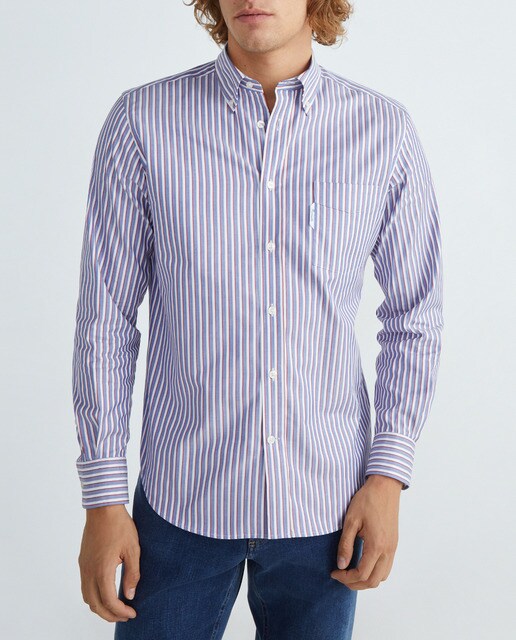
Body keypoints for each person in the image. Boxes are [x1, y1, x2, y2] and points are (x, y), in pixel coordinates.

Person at [72, 1, 444, 638]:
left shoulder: (383, 131)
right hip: (181, 502)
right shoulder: (143, 122)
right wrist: (103, 498)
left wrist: (388, 476)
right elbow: (106, 319)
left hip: (327, 509)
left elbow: (416, 315)